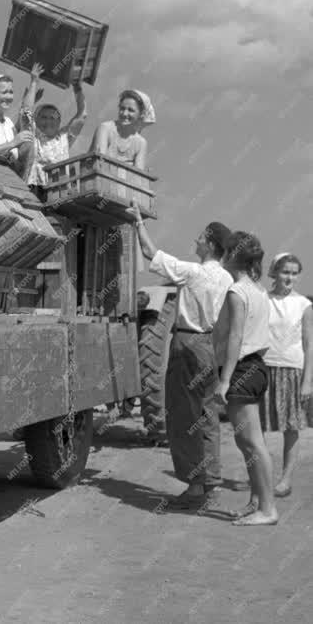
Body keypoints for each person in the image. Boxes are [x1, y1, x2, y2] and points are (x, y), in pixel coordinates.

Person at [126, 199, 233, 509]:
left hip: (186, 345)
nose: (195, 239)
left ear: (211, 244)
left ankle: (196, 489)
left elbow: (150, 253)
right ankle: (211, 482)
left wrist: (137, 221)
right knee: (207, 415)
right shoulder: (226, 278)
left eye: (200, 236)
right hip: (210, 345)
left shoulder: (193, 272)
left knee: (183, 417)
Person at [213, 232, 277, 526]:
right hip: (257, 368)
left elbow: (236, 336)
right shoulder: (258, 290)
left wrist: (224, 381)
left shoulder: (237, 291)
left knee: (252, 443)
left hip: (242, 369)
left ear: (230, 256)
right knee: (250, 442)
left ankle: (268, 509)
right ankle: (257, 501)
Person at [258, 252, 313, 498]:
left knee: (291, 427)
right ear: (274, 273)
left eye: (293, 272)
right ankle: (261, 476)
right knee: (257, 426)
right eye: (285, 272)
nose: (289, 277)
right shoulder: (263, 299)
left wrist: (307, 382)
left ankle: (286, 479)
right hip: (264, 368)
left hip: (292, 370)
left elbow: (309, 344)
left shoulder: (304, 305)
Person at [23, 66, 87, 200]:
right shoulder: (33, 135)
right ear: (36, 119)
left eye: (52, 118)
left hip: (59, 190)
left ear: (59, 122)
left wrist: (77, 88)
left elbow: (82, 116)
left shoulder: (64, 137)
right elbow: (26, 112)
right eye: (43, 117)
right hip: (35, 188)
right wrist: (34, 82)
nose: (48, 121)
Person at [90, 89, 155, 170]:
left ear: (141, 114)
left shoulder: (141, 143)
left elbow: (138, 176)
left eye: (130, 110)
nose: (124, 113)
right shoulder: (105, 128)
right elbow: (100, 164)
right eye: (122, 108)